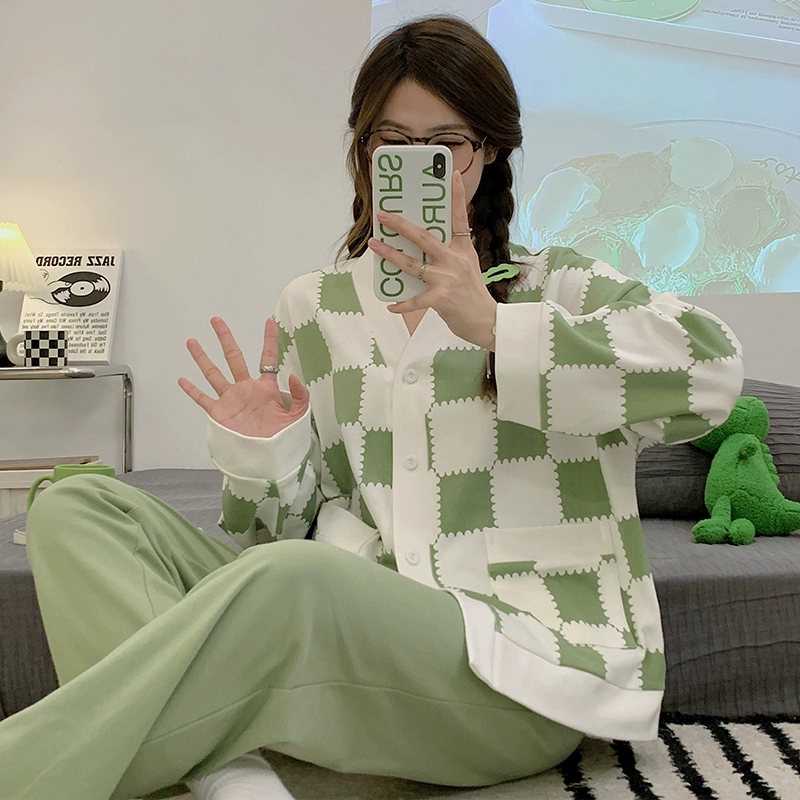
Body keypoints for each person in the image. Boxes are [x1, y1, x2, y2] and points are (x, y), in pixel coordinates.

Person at [0, 15, 744, 800]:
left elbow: (711, 373)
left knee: (296, 583)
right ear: (363, 152)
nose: (417, 165)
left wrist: (497, 329)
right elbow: (272, 540)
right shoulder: (313, 308)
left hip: (518, 670)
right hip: (355, 646)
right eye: (392, 143)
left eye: (445, 146)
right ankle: (230, 779)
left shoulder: (555, 286)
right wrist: (264, 454)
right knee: (76, 507)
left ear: (489, 151)